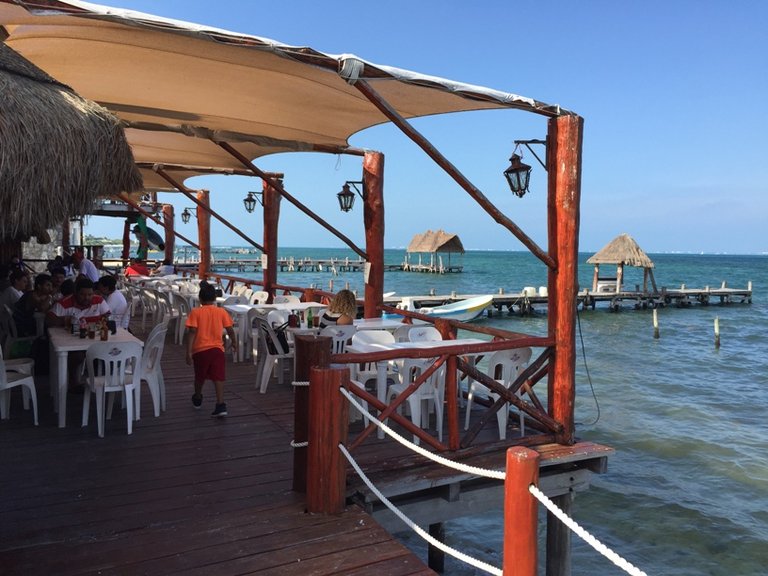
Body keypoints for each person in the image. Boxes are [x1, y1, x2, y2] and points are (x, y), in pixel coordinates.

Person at [47, 278, 111, 389]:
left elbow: (106, 315)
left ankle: (104, 384)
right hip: (71, 341)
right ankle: (73, 382)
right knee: (77, 356)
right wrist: (65, 320)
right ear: (76, 293)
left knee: (111, 351)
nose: (87, 298)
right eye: (83, 294)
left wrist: (101, 322)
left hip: (94, 339)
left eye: (90, 294)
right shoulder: (64, 303)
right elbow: (49, 320)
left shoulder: (99, 301)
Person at [185, 281, 237, 418]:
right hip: (217, 350)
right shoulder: (221, 312)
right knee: (218, 377)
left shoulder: (195, 312)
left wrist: (188, 352)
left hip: (200, 350)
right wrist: (235, 342)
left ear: (200, 299)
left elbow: (191, 333)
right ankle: (221, 404)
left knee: (199, 376)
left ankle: (197, 397)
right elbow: (230, 330)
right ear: (215, 299)